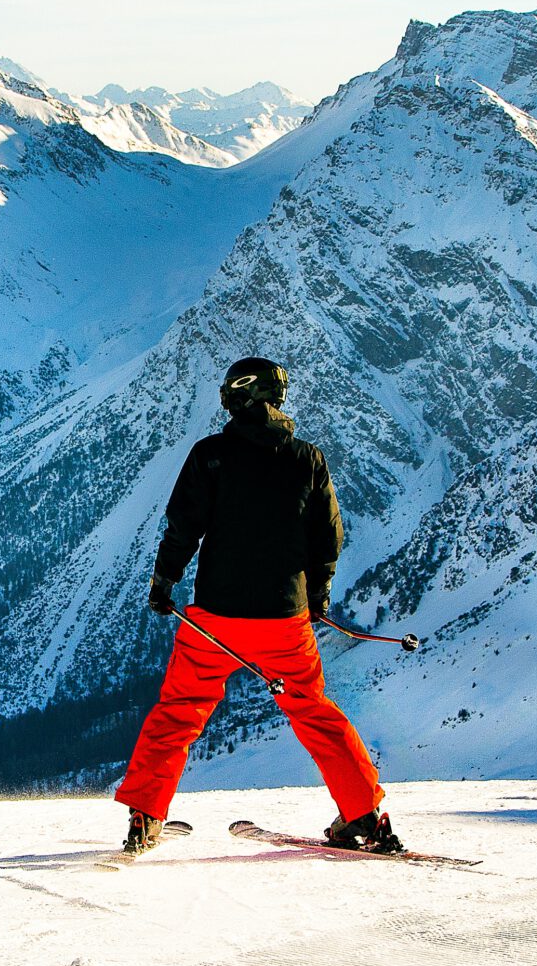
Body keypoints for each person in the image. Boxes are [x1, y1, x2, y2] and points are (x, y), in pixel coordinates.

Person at [112, 356, 402, 855]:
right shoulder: (306, 458)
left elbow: (183, 526)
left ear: (239, 396)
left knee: (179, 711)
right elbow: (327, 538)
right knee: (312, 709)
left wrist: (164, 582)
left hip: (214, 620)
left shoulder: (211, 455)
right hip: (284, 621)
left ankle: (146, 815)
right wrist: (316, 598)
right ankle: (364, 817)